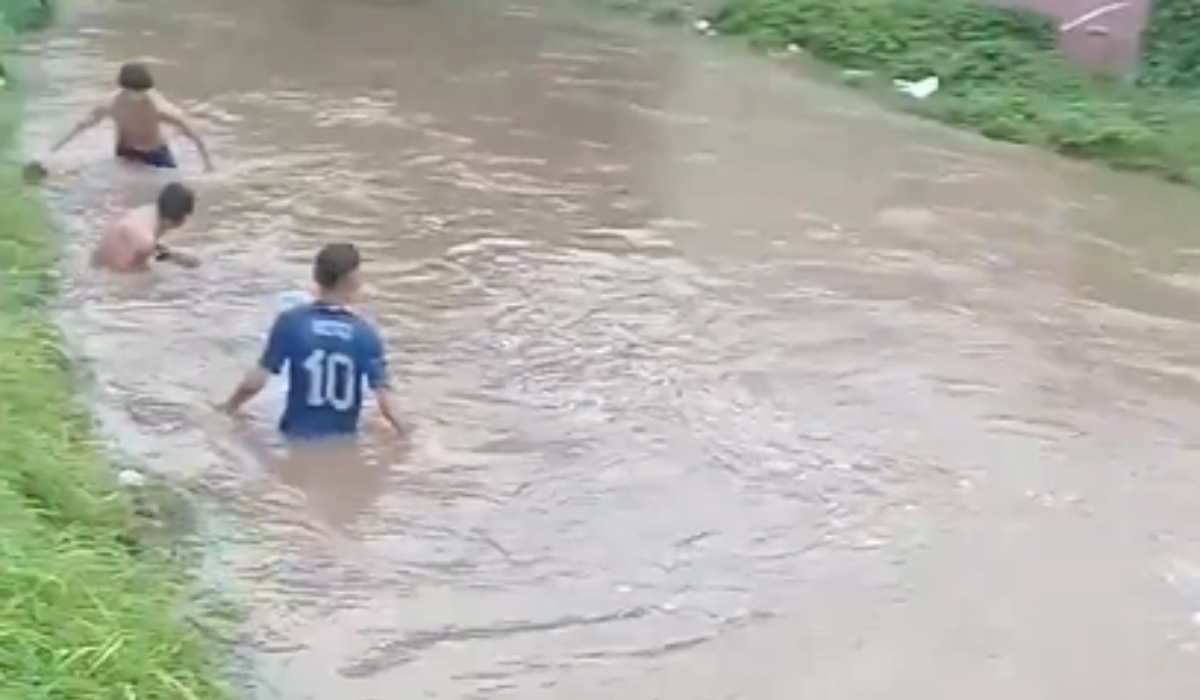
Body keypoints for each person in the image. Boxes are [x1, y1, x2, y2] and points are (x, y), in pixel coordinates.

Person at [219, 242, 409, 441]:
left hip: (293, 436)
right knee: (377, 423)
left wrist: (228, 408)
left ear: (316, 278)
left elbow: (255, 382)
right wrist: (409, 437)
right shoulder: (365, 334)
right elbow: (386, 403)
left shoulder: (291, 321)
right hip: (342, 441)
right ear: (353, 281)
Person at [29, 61, 214, 174]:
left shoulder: (158, 107)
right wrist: (50, 153)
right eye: (137, 92)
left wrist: (208, 165)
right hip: (125, 151)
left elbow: (191, 130)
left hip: (156, 155)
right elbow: (81, 126)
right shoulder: (111, 104)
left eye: (144, 91)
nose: (141, 96)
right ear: (124, 88)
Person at [92, 181, 201, 272]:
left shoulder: (145, 212)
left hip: (98, 260)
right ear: (174, 221)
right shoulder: (146, 240)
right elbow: (132, 274)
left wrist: (171, 256)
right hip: (115, 274)